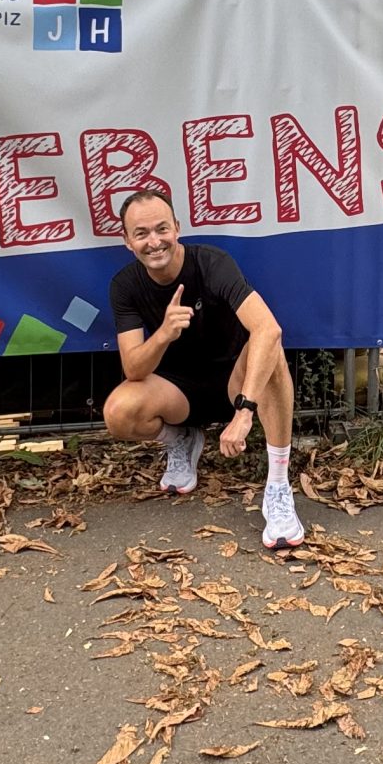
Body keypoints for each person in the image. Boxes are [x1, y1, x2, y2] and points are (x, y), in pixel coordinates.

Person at [99, 189, 304, 550]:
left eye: (162, 229)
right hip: (177, 394)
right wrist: (164, 333)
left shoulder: (212, 262)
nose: (154, 241)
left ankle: (277, 486)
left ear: (177, 228)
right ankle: (181, 441)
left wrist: (244, 412)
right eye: (141, 233)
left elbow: (268, 329)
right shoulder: (124, 284)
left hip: (235, 384)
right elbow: (133, 368)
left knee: (271, 348)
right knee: (118, 411)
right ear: (127, 241)